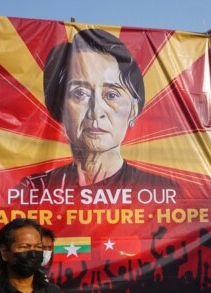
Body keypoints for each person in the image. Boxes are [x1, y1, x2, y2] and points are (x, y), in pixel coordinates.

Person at [19, 28, 176, 192]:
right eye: (80, 93)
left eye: (111, 95)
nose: (95, 111)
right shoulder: (33, 190)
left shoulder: (160, 191)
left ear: (133, 109)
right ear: (60, 107)